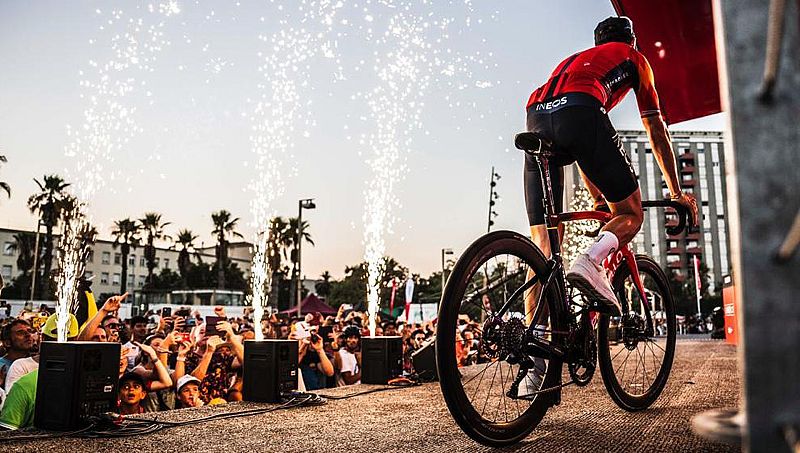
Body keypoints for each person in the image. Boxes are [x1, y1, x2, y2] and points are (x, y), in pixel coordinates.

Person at [523, 16, 698, 314]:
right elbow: (656, 128)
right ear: (630, 40)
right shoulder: (634, 58)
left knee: (544, 245)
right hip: (579, 112)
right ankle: (589, 262)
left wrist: (598, 198)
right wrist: (676, 192)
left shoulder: (576, 61)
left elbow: (579, 149)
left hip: (535, 114)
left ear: (597, 44)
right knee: (630, 213)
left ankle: (534, 340)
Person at [0, 320, 37, 389]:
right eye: (21, 333)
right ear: (7, 343)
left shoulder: (36, 362)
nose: (28, 335)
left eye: (29, 331)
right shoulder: (1, 365)